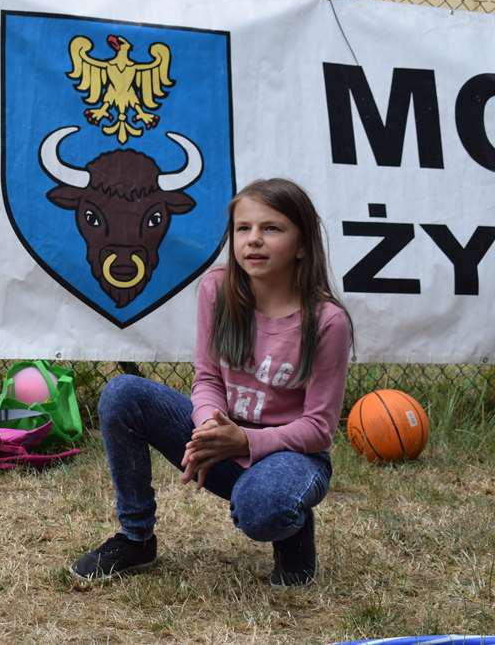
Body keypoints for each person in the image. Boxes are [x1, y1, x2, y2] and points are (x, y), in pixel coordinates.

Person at [72, 178, 353, 586]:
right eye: (243, 228)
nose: (254, 239)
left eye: (271, 228)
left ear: (303, 245)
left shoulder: (327, 321)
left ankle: (292, 528)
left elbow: (318, 428)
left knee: (262, 508)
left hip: (292, 456)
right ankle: (135, 538)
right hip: (222, 437)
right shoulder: (217, 289)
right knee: (123, 394)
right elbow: (206, 378)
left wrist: (244, 441)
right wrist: (209, 429)